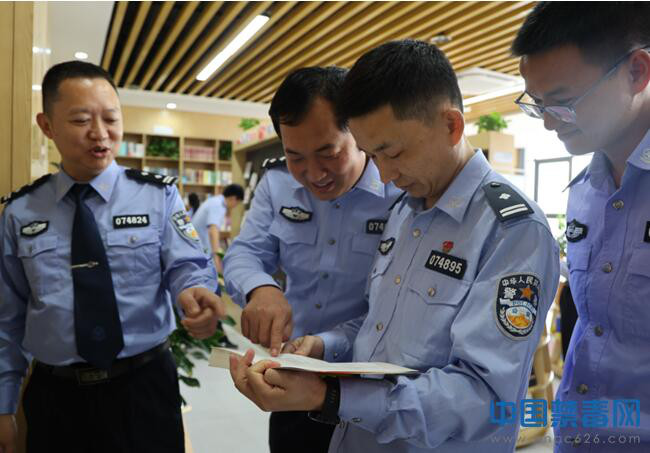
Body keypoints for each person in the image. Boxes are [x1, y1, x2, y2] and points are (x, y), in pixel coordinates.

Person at [229, 40, 560, 453]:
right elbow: (377, 328)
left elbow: (484, 397)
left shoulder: (512, 231)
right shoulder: (406, 210)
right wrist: (323, 346)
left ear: (451, 126)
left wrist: (332, 397)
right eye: (372, 155)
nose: (383, 175)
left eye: (393, 152)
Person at [0, 61, 225, 453]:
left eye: (111, 118)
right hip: (57, 398)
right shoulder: (20, 212)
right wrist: (4, 405)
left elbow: (186, 266)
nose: (100, 133)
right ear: (47, 125)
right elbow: (7, 317)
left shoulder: (157, 196)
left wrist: (194, 291)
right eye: (81, 120)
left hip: (143, 389)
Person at [223, 66, 401, 453]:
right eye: (295, 156)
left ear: (359, 135)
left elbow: (396, 307)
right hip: (293, 381)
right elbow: (244, 252)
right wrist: (261, 289)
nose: (313, 173)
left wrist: (325, 345)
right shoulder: (277, 183)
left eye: (328, 153)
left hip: (372, 390)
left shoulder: (399, 191)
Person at [512, 3, 650, 451]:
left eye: (563, 102)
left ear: (637, 71)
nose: (549, 121)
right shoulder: (585, 192)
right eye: (537, 104)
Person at [191, 184, 244, 273]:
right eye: (237, 203)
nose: (235, 206)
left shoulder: (215, 201)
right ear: (234, 198)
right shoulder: (218, 205)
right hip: (197, 251)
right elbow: (213, 230)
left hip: (198, 248)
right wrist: (216, 259)